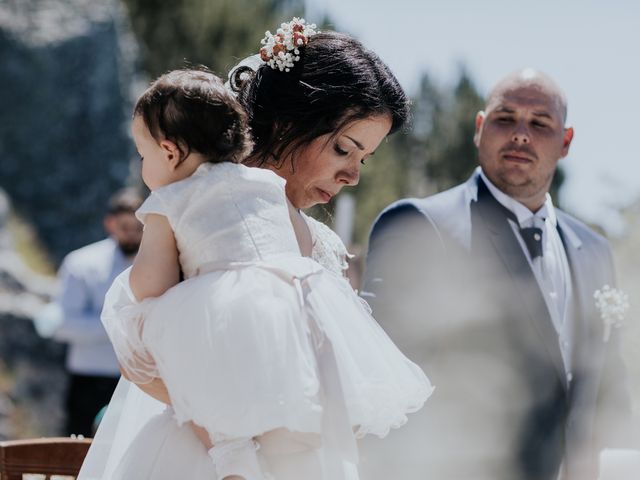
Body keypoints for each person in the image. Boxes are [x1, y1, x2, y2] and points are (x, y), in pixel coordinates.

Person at [80, 21, 431, 480]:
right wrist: (244, 444)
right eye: (344, 149)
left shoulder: (321, 245)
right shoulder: (199, 212)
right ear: (290, 121)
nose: (353, 176)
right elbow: (143, 357)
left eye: (363, 159)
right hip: (197, 457)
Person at [361, 68, 633, 480]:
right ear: (479, 128)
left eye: (540, 123)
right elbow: (383, 386)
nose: (521, 133)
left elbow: (604, 394)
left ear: (566, 141)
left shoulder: (594, 250)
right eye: (505, 118)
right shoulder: (419, 227)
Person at [52, 188, 143, 437]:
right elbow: (64, 324)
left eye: (139, 228)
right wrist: (124, 321)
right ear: (110, 223)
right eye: (126, 227)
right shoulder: (81, 263)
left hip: (139, 382)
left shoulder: (155, 264)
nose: (133, 235)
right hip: (88, 380)